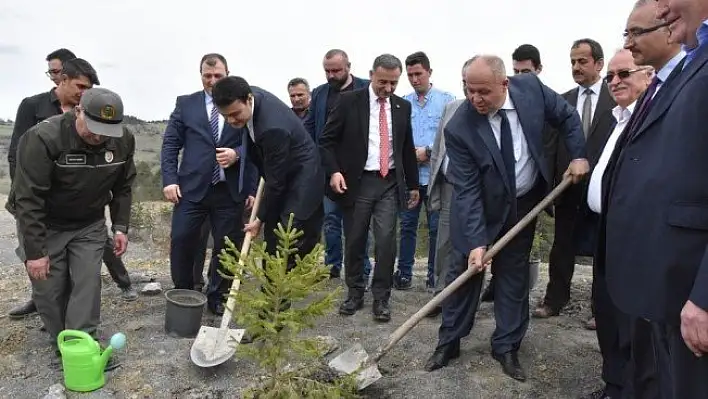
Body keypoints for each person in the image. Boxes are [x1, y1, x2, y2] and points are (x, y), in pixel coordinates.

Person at [424, 55, 589, 381]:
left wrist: (580, 155)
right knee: (464, 275)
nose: (475, 99)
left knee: (512, 277)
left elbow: (568, 118)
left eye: (483, 91)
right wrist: (475, 242)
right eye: (469, 90)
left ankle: (506, 346)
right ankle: (449, 341)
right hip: (478, 209)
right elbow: (467, 189)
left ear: (504, 83)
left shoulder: (532, 90)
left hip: (522, 205)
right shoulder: (459, 126)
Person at [598, 1, 708, 397]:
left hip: (686, 279)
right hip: (658, 278)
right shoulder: (679, 75)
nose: (629, 43)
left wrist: (704, 296)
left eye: (636, 33)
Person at [13, 87, 136, 363]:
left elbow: (123, 186)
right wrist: (35, 252)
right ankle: (61, 343)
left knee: (87, 283)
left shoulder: (123, 140)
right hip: (46, 223)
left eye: (106, 130)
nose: (98, 136)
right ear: (78, 110)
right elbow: (28, 199)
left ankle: (81, 346)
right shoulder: (44, 138)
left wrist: (120, 227)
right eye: (93, 127)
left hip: (88, 223)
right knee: (50, 289)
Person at [319, 54, 419, 322]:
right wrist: (334, 172)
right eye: (383, 82)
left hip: (389, 182)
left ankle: (381, 297)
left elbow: (406, 148)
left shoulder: (402, 107)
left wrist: (412, 185)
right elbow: (326, 142)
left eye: (394, 83)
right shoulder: (348, 101)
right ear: (372, 74)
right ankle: (354, 292)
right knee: (355, 240)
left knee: (386, 241)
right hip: (358, 182)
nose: (388, 89)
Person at [160, 53, 258, 316]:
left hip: (229, 190)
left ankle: (218, 295)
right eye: (207, 75)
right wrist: (169, 180)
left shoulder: (241, 103)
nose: (212, 81)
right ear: (200, 74)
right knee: (182, 239)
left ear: (227, 74)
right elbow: (170, 144)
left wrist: (238, 157)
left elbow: (255, 144)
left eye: (218, 76)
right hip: (191, 189)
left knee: (226, 245)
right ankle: (183, 292)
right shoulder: (186, 104)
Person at [534, 39, 616, 333]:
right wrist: (549, 190)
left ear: (599, 63)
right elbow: (550, 148)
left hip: (602, 190)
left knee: (602, 248)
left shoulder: (615, 97)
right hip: (567, 188)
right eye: (572, 62)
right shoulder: (562, 101)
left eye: (582, 61)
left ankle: (600, 308)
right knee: (562, 246)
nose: (576, 67)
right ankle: (554, 300)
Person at [211, 75, 325, 272]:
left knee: (285, 236)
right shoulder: (249, 94)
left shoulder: (272, 129)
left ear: (248, 99)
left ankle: (277, 297)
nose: (231, 120)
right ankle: (271, 290)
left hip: (302, 179)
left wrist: (259, 219)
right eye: (225, 116)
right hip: (281, 171)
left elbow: (276, 182)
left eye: (235, 114)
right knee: (274, 234)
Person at [304, 49, 373, 279]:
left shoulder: (366, 88)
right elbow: (311, 129)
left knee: (359, 224)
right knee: (331, 221)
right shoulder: (320, 94)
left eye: (336, 70)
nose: (331, 75)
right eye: (327, 71)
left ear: (349, 67)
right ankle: (332, 265)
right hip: (327, 169)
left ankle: (362, 267)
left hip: (360, 171)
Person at [393, 51, 454, 291]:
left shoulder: (447, 101)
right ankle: (404, 273)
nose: (414, 79)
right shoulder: (402, 103)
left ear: (429, 72)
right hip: (410, 179)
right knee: (407, 226)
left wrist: (428, 152)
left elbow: (451, 135)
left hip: (436, 177)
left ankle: (433, 275)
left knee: (436, 228)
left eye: (418, 74)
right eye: (410, 75)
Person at [426, 59, 471, 317]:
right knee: (443, 242)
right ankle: (440, 294)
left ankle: (462, 296)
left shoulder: (487, 110)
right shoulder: (451, 108)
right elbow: (437, 149)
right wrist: (434, 183)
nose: (467, 88)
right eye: (464, 82)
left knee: (469, 243)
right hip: (448, 186)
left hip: (473, 188)